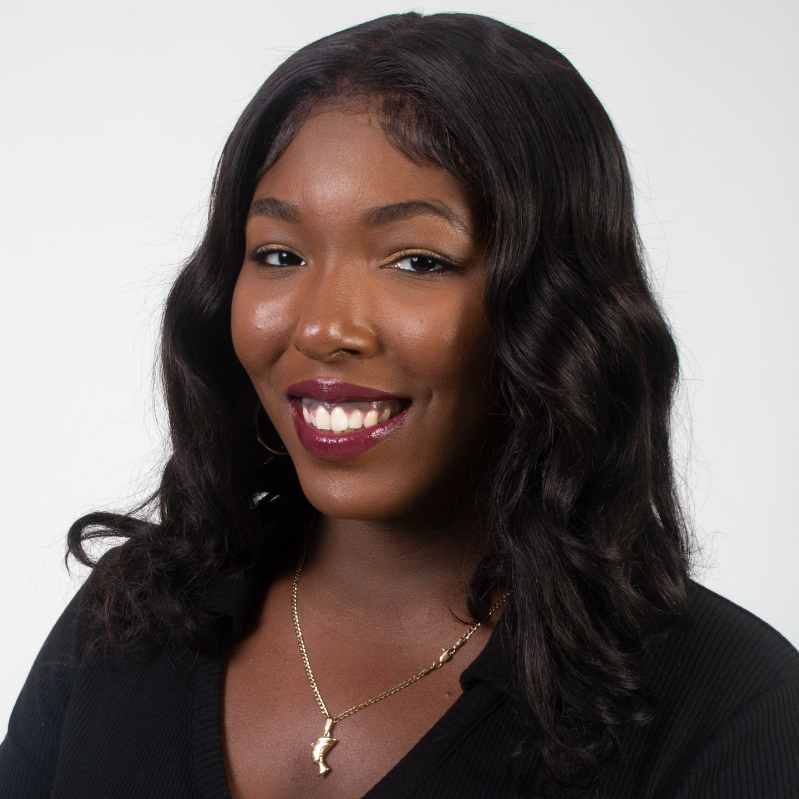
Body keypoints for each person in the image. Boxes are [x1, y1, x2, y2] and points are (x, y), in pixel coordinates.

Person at [1, 11, 798, 799]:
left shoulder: (731, 711)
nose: (322, 327)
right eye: (278, 254)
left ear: (558, 309)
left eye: (416, 260)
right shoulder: (130, 616)